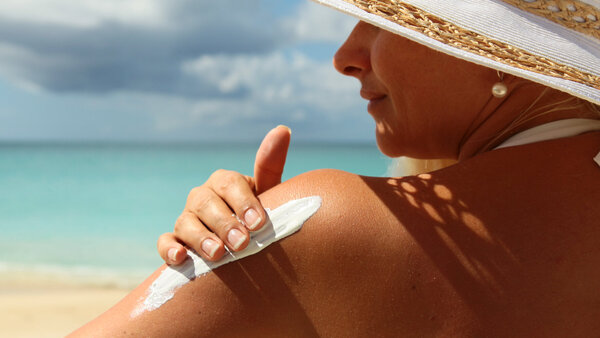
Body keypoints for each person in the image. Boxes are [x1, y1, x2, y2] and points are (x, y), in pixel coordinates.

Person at [71, 0, 600, 336]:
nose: (345, 56)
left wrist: (271, 271)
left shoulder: (330, 220)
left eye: (386, 19)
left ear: (502, 55)